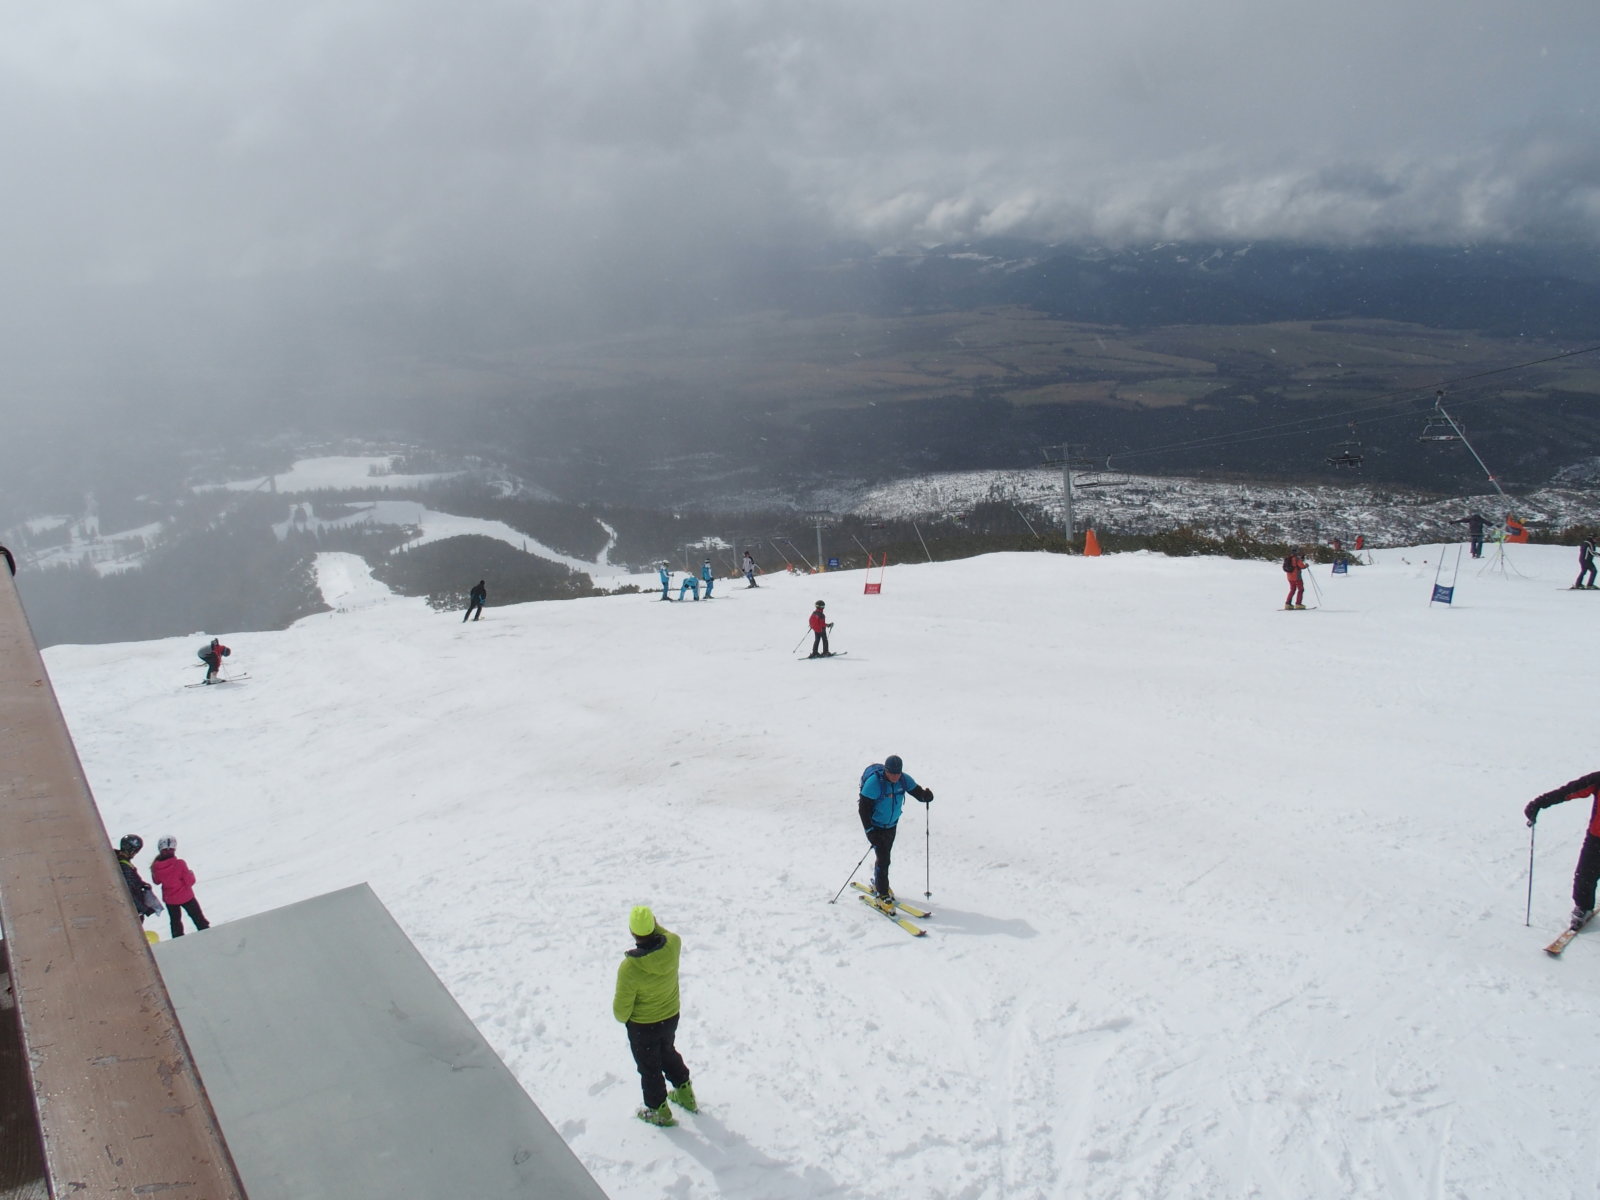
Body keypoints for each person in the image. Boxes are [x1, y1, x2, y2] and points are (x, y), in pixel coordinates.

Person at [613, 905, 696, 1127]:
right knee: (668, 1052)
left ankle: (659, 1110)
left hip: (642, 1026)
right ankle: (685, 1093)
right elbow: (665, 934)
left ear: (632, 932)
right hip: (670, 1016)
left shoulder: (629, 968)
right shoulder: (674, 944)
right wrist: (651, 922)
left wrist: (627, 1019)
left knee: (649, 1068)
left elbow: (621, 1011)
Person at [1524, 771, 1600, 930]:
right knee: (1585, 875)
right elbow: (1569, 791)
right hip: (1597, 839)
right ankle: (1583, 907)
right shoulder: (1598, 779)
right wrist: (1539, 803)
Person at [858, 756, 933, 903]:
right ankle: (883, 894)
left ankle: (879, 884)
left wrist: (926, 796)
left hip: (892, 825)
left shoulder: (903, 780)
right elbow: (863, 809)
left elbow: (917, 792)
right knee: (884, 859)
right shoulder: (874, 784)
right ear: (886, 770)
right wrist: (869, 831)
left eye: (898, 773)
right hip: (876, 826)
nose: (895, 776)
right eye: (892, 773)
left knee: (884, 857)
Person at [150, 836, 210, 938]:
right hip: (186, 896)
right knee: (197, 917)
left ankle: (178, 938)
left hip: (170, 899)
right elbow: (189, 881)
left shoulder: (156, 866)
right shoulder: (179, 864)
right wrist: (191, 873)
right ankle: (207, 934)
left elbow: (157, 881)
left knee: (175, 921)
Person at [115, 835, 161, 925]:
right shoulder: (125, 867)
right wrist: (144, 909)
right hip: (133, 910)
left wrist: (142, 884)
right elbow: (128, 892)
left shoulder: (121, 861)